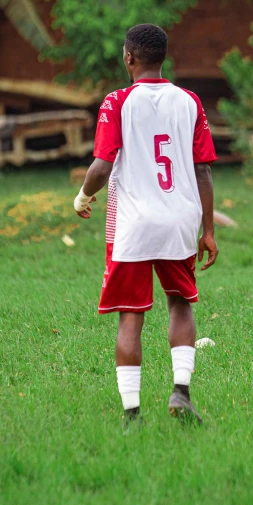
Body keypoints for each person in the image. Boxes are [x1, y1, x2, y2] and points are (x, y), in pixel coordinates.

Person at [73, 23, 218, 427]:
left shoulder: (116, 101)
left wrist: (83, 196)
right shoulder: (189, 101)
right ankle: (181, 392)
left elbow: (102, 166)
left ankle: (132, 415)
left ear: (129, 58)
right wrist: (208, 230)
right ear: (162, 58)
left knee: (131, 316)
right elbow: (203, 172)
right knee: (180, 303)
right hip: (180, 220)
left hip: (133, 224)